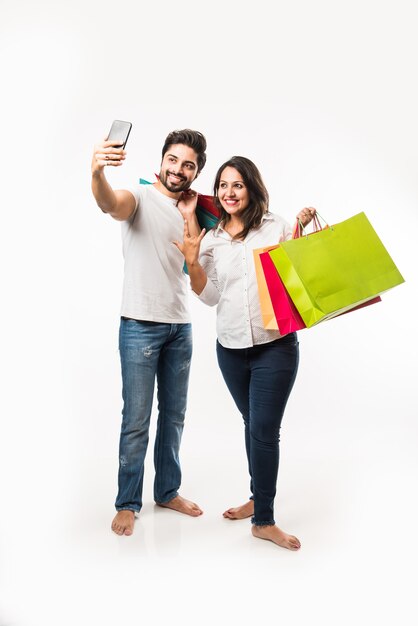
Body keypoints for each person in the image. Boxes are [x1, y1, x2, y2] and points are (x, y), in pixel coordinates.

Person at [174, 156, 315, 550]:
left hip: (275, 347)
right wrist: (191, 261)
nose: (229, 193)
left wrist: (300, 232)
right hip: (231, 348)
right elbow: (211, 295)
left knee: (264, 432)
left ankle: (264, 521)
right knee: (253, 424)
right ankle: (259, 497)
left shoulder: (276, 225)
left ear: (251, 187)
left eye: (237, 185)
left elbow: (294, 275)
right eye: (222, 186)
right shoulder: (213, 237)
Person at [91, 128, 207, 536]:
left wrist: (192, 216)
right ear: (161, 160)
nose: (178, 169)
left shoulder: (195, 211)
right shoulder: (139, 198)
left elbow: (198, 273)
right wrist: (97, 173)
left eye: (188, 164)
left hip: (180, 326)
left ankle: (167, 490)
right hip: (140, 325)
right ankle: (127, 502)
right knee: (136, 420)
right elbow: (111, 204)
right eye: (173, 160)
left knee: (174, 416)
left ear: (196, 172)